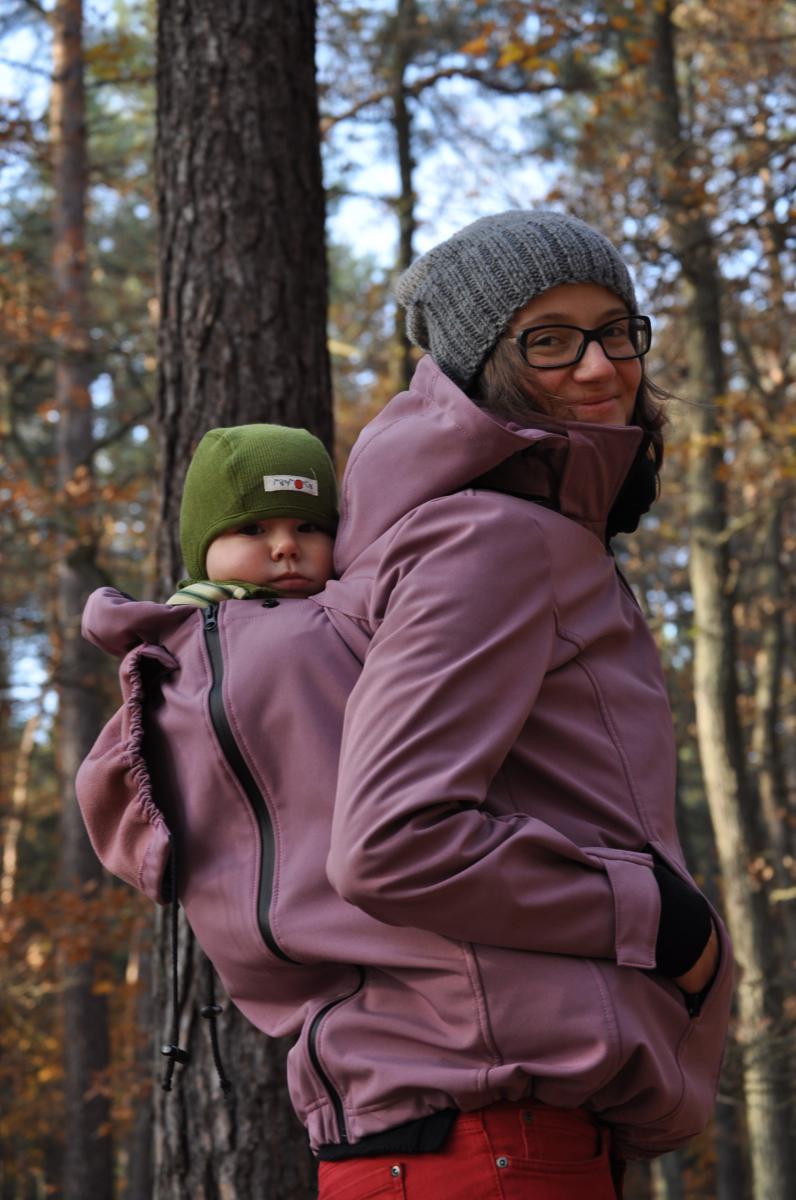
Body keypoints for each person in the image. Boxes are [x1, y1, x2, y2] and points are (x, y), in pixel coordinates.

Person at [76, 213, 732, 1200]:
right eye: (547, 340)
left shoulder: (496, 531)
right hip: (493, 1135)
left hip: (445, 1132)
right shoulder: (491, 539)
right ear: (477, 368)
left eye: (615, 330)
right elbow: (392, 839)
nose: (599, 368)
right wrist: (666, 923)